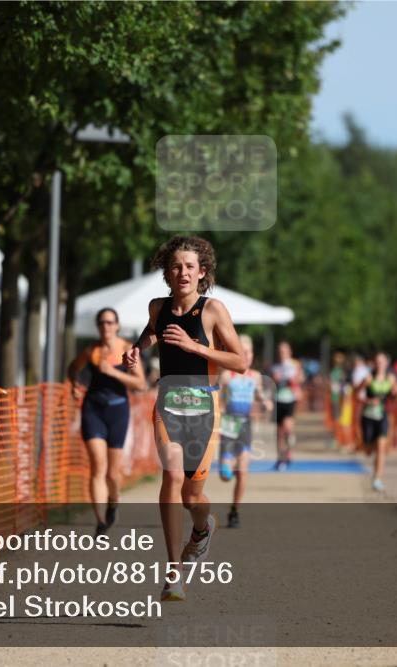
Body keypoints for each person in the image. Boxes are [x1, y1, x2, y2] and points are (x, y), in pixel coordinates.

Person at [124, 235, 246, 602]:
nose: (183, 273)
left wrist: (196, 347)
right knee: (173, 475)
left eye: (190, 267)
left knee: (193, 498)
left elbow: (240, 362)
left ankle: (203, 528)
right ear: (167, 272)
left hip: (204, 407)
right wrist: (136, 349)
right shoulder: (157, 308)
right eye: (176, 266)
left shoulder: (213, 311)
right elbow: (152, 332)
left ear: (202, 272)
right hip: (168, 403)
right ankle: (173, 570)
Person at [67, 308, 147, 536]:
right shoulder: (91, 350)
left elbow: (140, 383)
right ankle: (101, 521)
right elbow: (73, 368)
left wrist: (113, 372)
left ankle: (114, 500)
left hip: (118, 411)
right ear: (98, 326)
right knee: (97, 465)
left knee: (112, 473)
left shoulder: (127, 349)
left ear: (117, 326)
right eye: (102, 323)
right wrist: (75, 384)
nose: (106, 327)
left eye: (110, 322)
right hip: (93, 409)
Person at [218, 334, 270, 528]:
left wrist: (265, 403)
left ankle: (235, 511)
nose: (247, 356)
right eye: (243, 352)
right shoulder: (226, 376)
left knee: (243, 471)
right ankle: (228, 466)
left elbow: (260, 396)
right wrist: (218, 410)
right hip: (229, 424)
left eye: (249, 352)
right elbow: (218, 399)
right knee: (225, 475)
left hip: (246, 425)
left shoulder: (255, 377)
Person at [359, 352, 397, 492]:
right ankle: (368, 448)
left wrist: (396, 393)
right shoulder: (368, 378)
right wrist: (368, 401)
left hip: (383, 416)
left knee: (381, 448)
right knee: (368, 451)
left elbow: (395, 399)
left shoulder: (391, 378)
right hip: (368, 416)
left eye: (382, 362)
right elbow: (356, 395)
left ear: (386, 363)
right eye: (377, 362)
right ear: (374, 364)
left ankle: (377, 479)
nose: (379, 364)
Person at [270, 341, 303, 470]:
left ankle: (288, 452)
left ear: (289, 352)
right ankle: (280, 458)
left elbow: (300, 379)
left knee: (288, 428)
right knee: (279, 433)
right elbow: (271, 384)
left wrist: (293, 381)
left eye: (284, 351)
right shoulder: (275, 367)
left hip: (290, 399)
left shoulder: (295, 365)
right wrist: (275, 380)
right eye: (280, 351)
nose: (281, 353)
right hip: (278, 400)